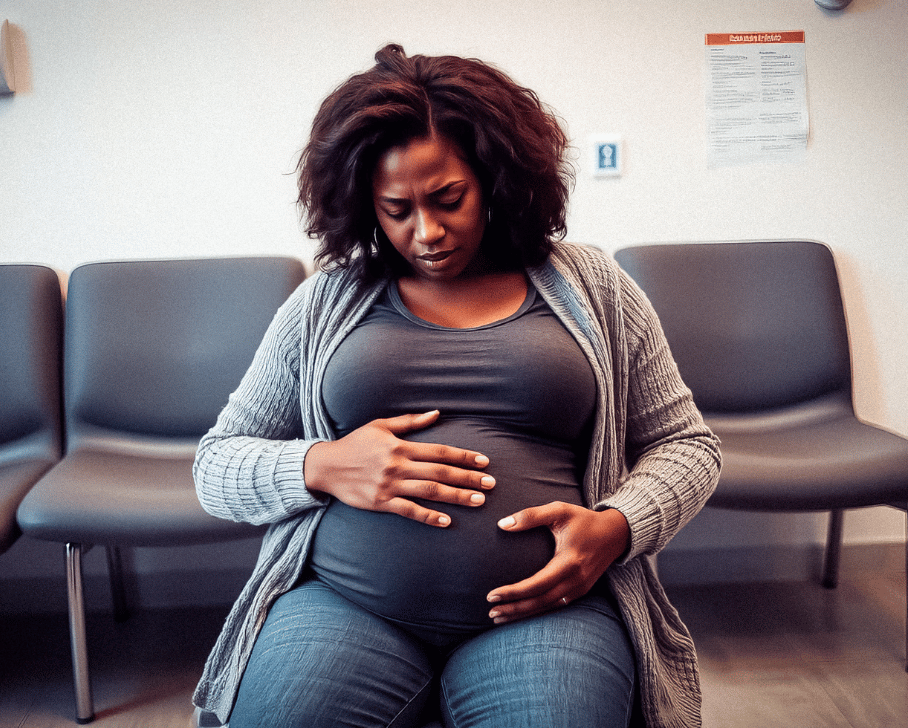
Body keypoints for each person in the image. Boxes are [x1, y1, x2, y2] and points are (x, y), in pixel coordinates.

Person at [192, 44, 720, 728]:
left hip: (549, 611)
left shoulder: (594, 288)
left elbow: (688, 446)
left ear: (498, 179)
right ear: (362, 205)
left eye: (449, 199)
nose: (428, 233)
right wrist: (322, 465)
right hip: (345, 606)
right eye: (397, 210)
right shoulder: (327, 301)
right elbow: (216, 462)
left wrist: (616, 529)